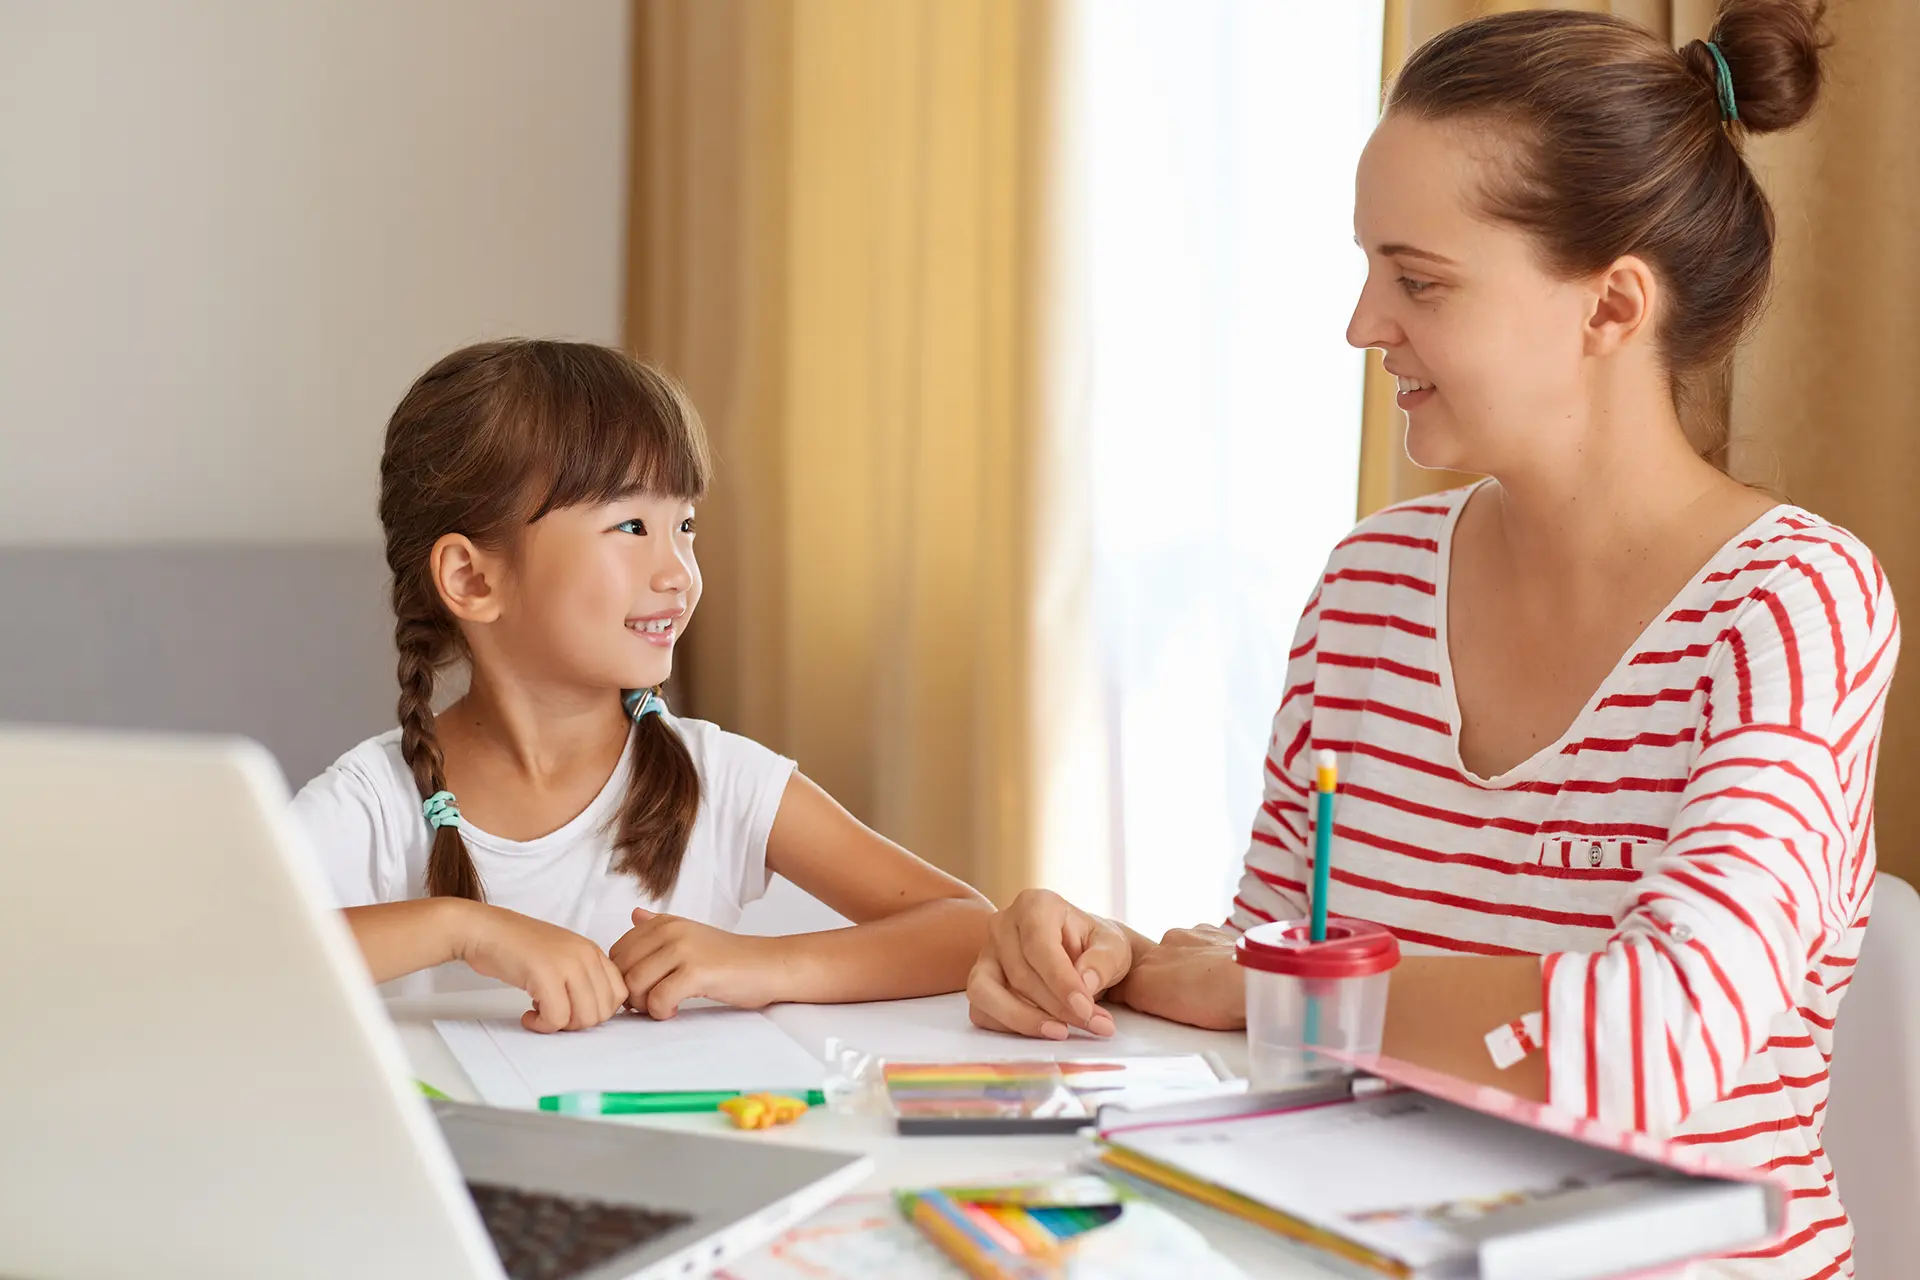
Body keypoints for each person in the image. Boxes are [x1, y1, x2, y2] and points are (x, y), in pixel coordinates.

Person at [966, 4, 1891, 1277]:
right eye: (1368, 269)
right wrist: (1121, 965)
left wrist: (1266, 985)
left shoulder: (1792, 603)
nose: (1362, 323)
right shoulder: (1371, 583)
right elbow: (1274, 978)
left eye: (1421, 279)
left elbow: (1658, 1038)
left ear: (1611, 306)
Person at [293, 339, 991, 1032]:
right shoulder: (374, 805)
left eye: (684, 525)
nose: (678, 572)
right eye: (631, 526)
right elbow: (205, 958)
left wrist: (760, 966)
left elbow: (967, 928)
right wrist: (457, 927)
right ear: (473, 579)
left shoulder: (721, 779)